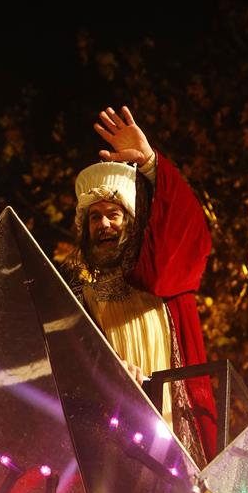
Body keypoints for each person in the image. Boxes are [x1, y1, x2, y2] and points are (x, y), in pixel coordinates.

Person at [70, 105, 217, 466]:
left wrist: (151, 164)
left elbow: (187, 230)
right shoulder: (79, 298)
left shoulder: (161, 283)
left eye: (114, 215)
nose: (103, 224)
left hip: (173, 432)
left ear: (131, 222)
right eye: (95, 217)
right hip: (115, 439)